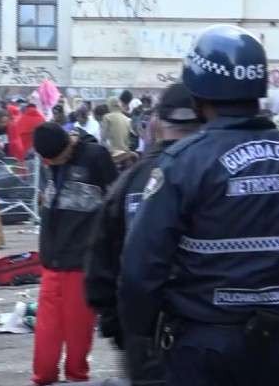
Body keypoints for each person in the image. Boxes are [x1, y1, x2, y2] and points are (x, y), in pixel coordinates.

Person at [119, 25, 279, 386]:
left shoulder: (182, 164)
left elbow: (141, 267)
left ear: (196, 95)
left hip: (202, 352)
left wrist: (140, 345)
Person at [85, 82, 200, 385]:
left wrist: (122, 330)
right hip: (207, 332)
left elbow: (100, 268)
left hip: (145, 336)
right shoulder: (217, 174)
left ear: (157, 124)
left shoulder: (131, 180)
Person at [31, 123, 117, 385]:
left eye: (58, 157)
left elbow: (116, 201)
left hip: (82, 261)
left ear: (69, 144)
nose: (53, 163)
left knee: (78, 330)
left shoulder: (96, 156)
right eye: (48, 160)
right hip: (51, 259)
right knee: (46, 329)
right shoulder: (49, 160)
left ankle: (77, 377)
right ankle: (43, 377)